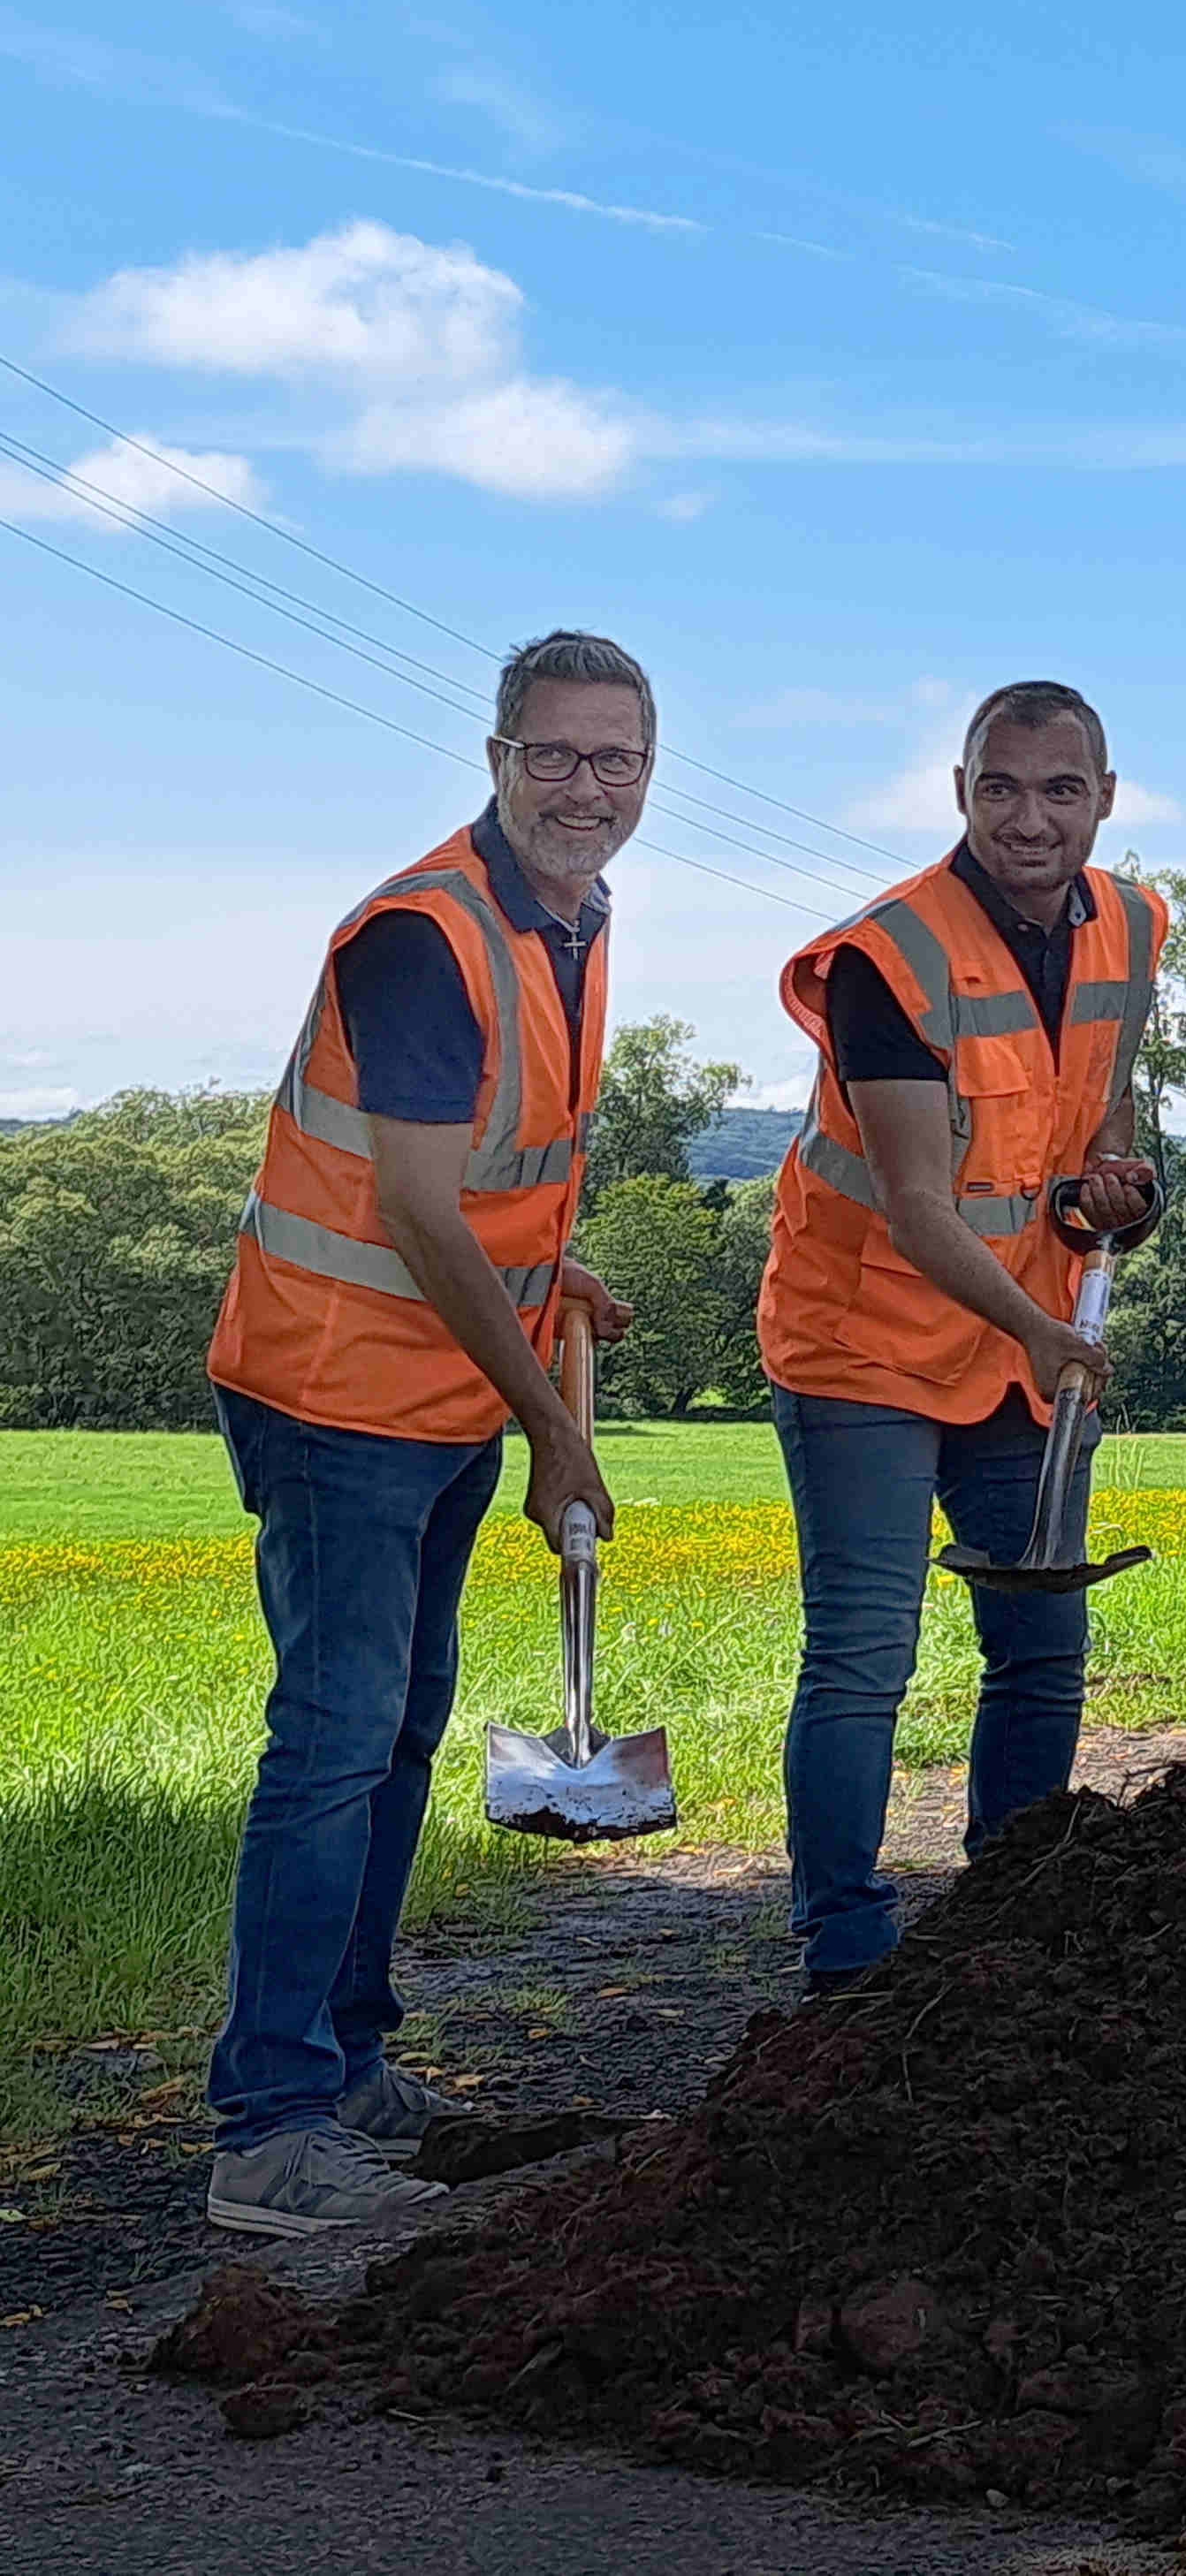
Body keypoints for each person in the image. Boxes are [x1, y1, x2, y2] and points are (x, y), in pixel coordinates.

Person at [200, 629, 650, 2233]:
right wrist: (556, 1432)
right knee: (334, 1737)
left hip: (442, 1379)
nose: (586, 785)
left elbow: (488, 1175)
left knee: (397, 1728)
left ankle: (348, 2069)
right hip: (336, 1391)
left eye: (616, 758)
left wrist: (546, 1271)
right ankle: (267, 2131)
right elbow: (410, 1203)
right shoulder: (423, 935)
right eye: (556, 753)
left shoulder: (576, 918)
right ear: (498, 758)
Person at [758, 680, 1165, 1993]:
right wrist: (1047, 1330)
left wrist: (1111, 1186)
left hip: (1018, 1341)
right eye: (1001, 789)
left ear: (1106, 799)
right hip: (866, 1340)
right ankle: (846, 1948)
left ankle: (1010, 1912)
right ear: (960, 793)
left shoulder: (1133, 926)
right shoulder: (887, 959)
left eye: (1061, 791)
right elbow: (920, 1206)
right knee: (864, 1654)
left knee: (1042, 1647)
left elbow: (1091, 1112)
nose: (1030, 819)